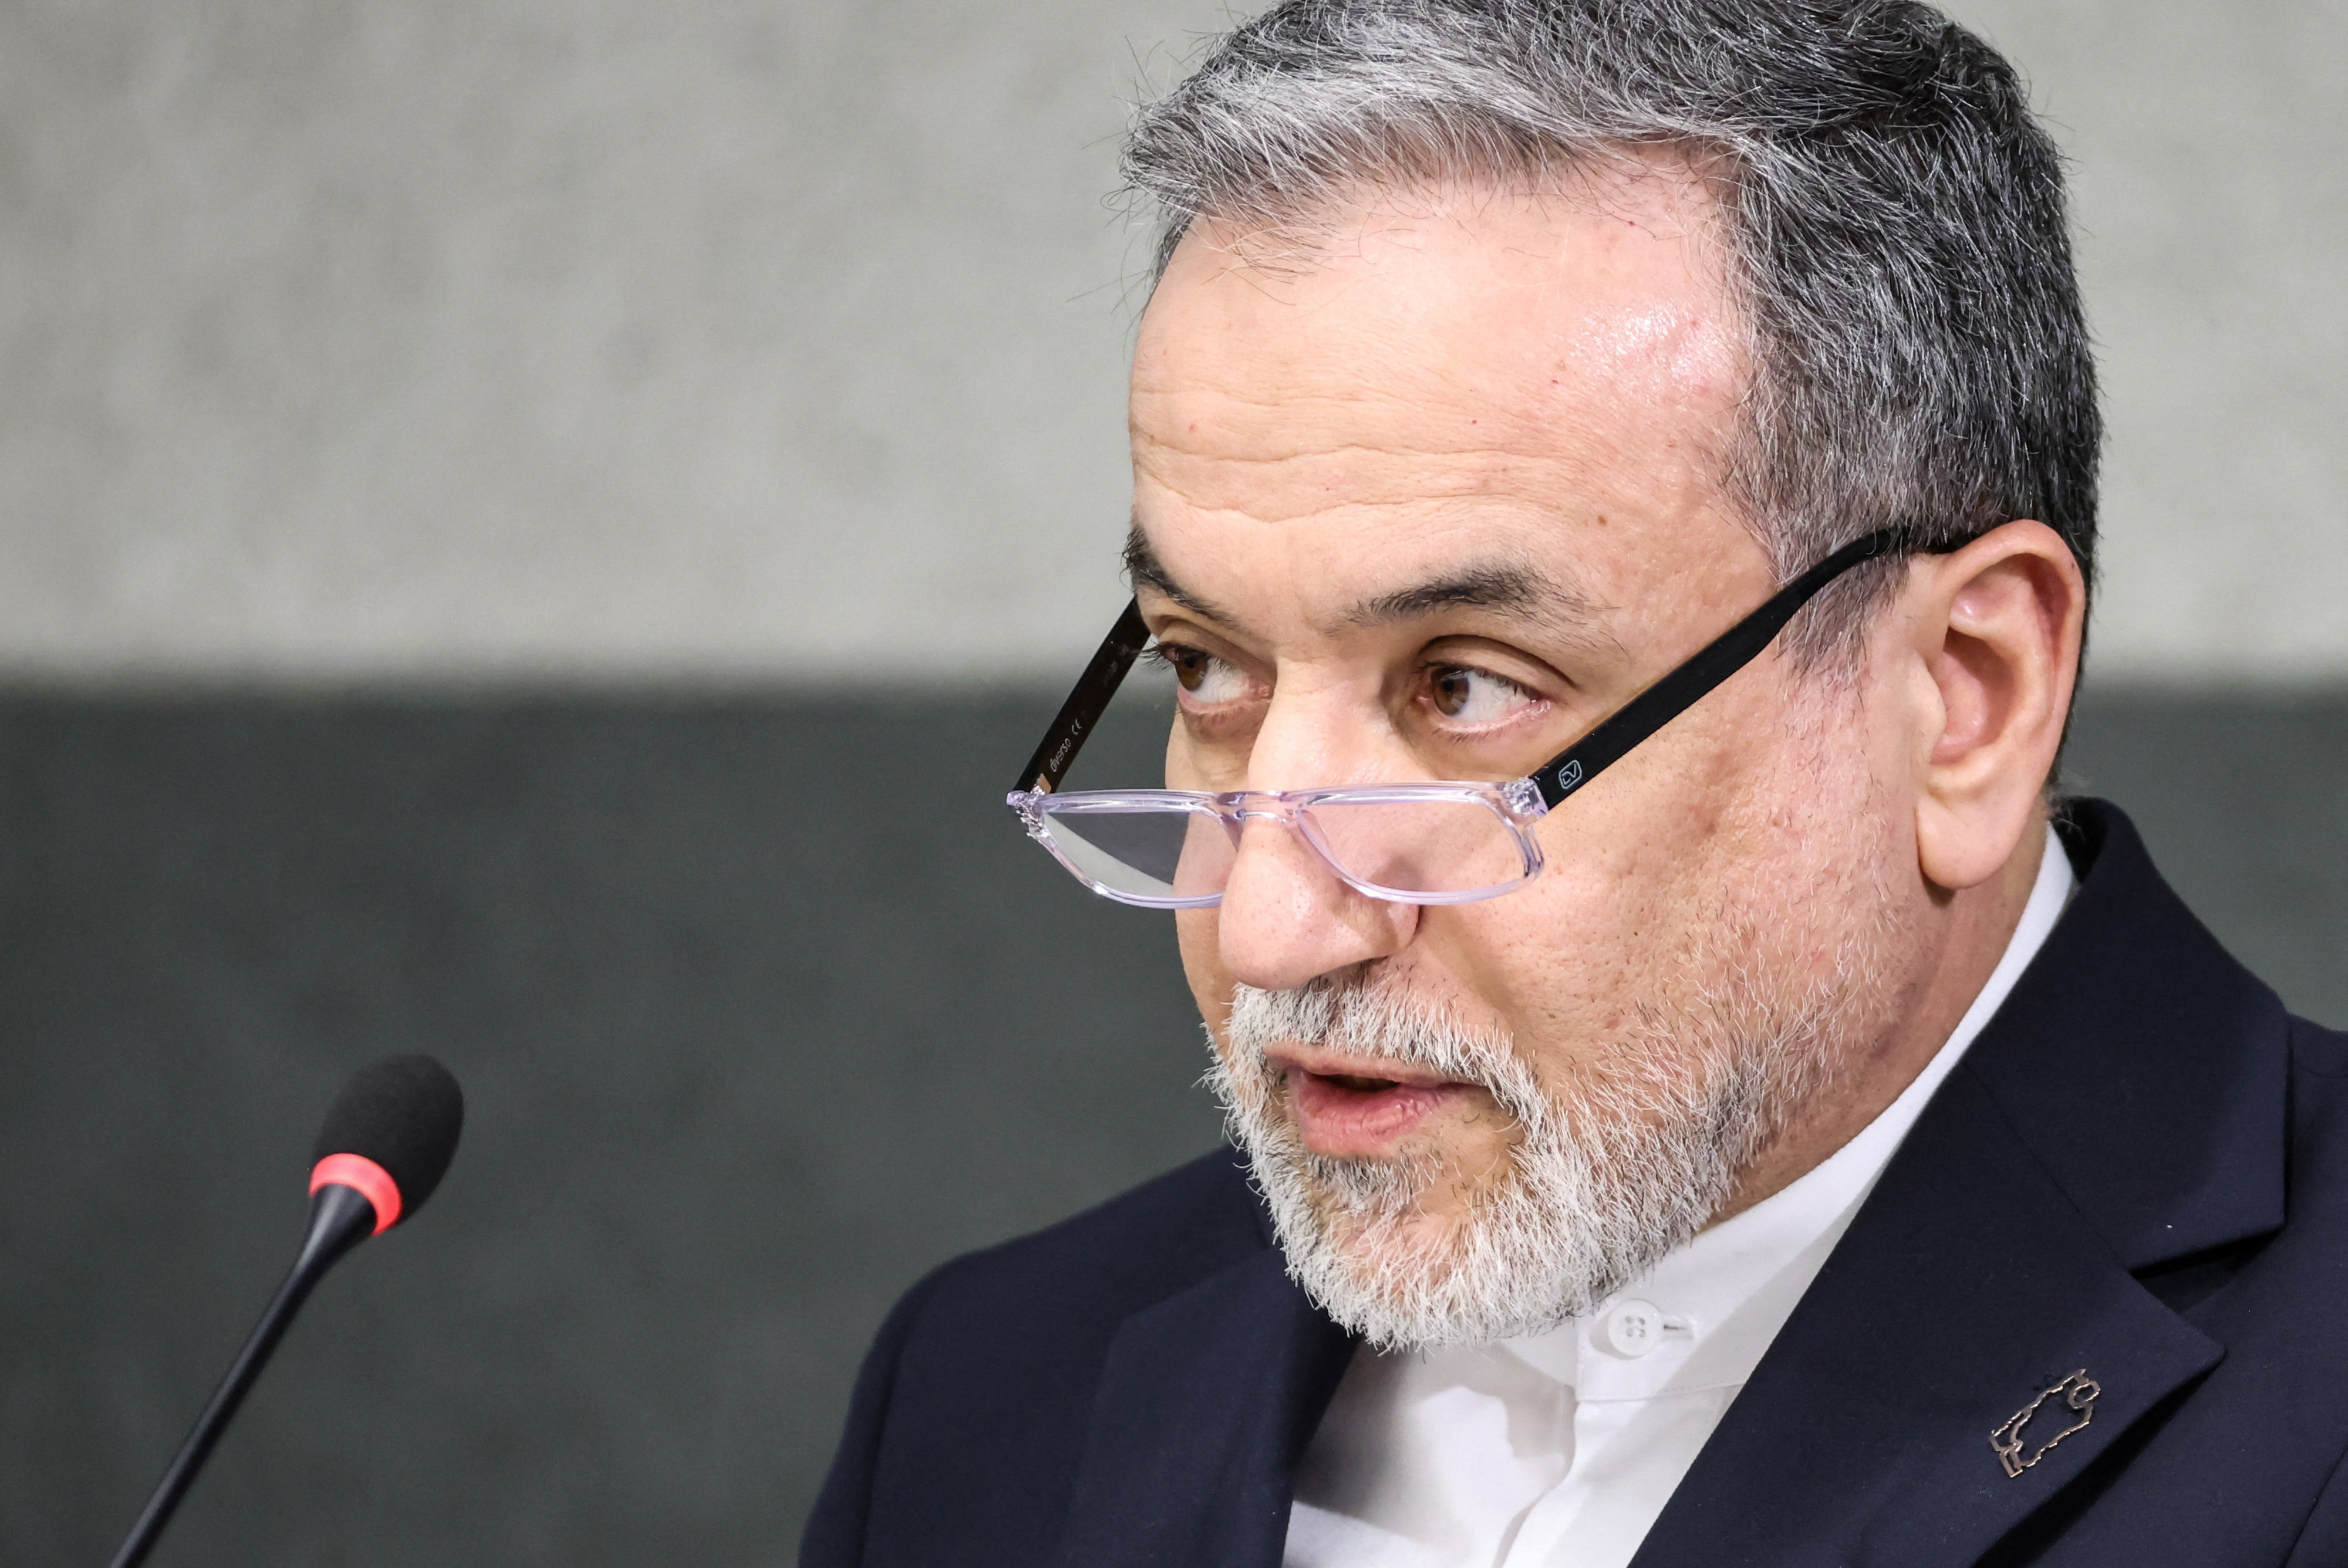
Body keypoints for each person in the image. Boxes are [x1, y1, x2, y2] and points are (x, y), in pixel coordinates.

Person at [805, 2, 2348, 1564]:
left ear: (1966, 696)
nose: (1271, 929)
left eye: (1465, 689)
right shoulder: (987, 1397)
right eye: (1207, 667)